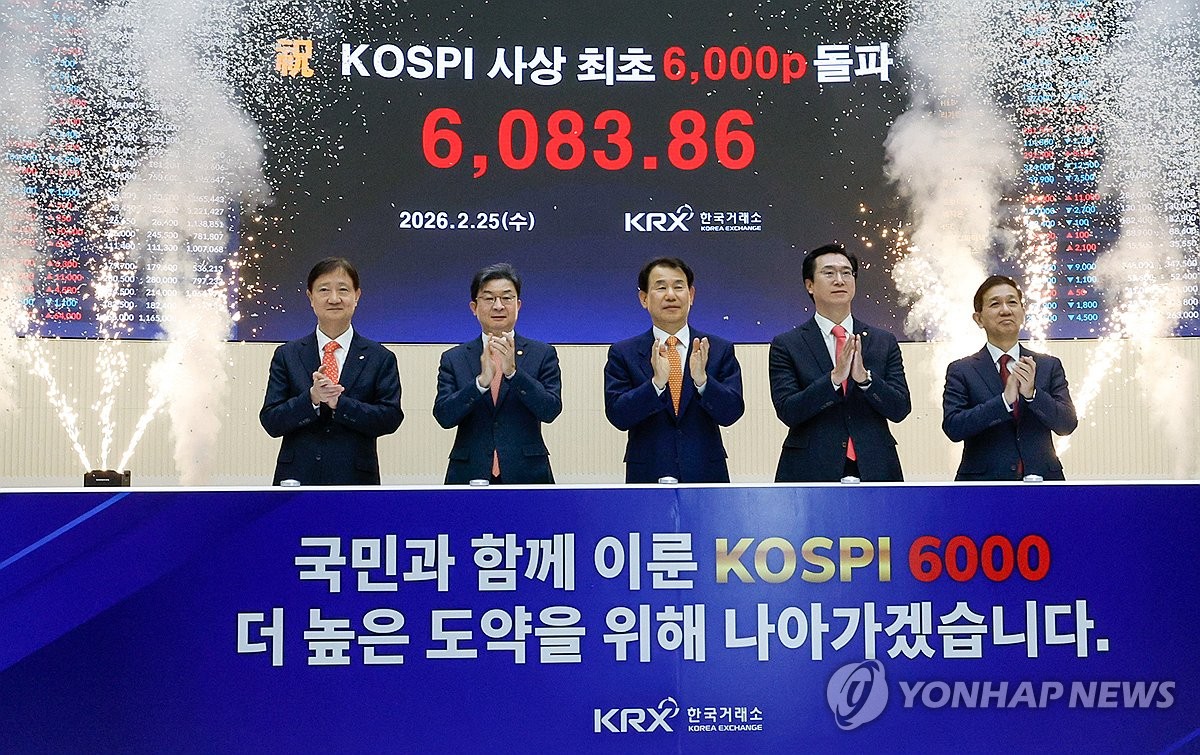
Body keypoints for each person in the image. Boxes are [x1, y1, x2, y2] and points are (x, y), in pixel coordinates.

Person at [769, 243, 911, 481]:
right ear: (810, 285)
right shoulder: (787, 344)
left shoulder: (883, 341)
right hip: (810, 469)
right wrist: (834, 379)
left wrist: (865, 380)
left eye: (846, 273)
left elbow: (900, 409)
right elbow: (788, 411)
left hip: (875, 466)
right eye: (829, 273)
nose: (839, 280)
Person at [259, 257, 403, 485]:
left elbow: (390, 419)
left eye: (343, 290)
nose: (334, 299)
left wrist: (340, 404)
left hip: (356, 481)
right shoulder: (287, 354)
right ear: (310, 297)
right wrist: (312, 398)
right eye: (324, 290)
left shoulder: (380, 357)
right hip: (297, 479)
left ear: (357, 296)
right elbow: (271, 421)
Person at [604, 257, 745, 483]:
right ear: (644, 299)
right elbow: (618, 416)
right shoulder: (623, 353)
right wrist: (655, 385)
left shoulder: (718, 349)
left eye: (678, 287)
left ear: (691, 295)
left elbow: (732, 413)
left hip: (706, 474)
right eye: (661, 287)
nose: (670, 295)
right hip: (647, 474)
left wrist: (703, 382)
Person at [433, 263, 562, 484]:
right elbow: (444, 416)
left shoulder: (542, 353)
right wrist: (480, 384)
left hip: (527, 474)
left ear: (518, 305)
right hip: (469, 472)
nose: (499, 306)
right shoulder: (454, 358)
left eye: (507, 298)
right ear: (474, 307)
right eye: (489, 298)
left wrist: (513, 374)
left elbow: (550, 410)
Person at [942, 274, 1078, 480]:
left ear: (1023, 313)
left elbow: (1067, 424)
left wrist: (1033, 394)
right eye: (995, 304)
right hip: (983, 485)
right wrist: (1004, 401)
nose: (1005, 310)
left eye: (1012, 302)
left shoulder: (1048, 366)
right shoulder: (961, 370)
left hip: (1042, 482)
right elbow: (954, 428)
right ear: (978, 319)